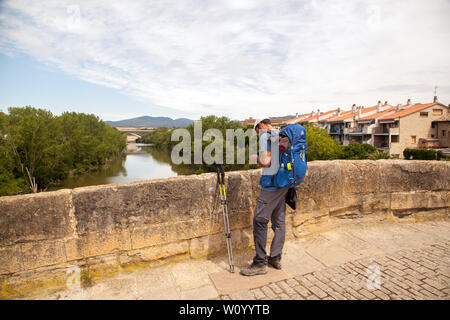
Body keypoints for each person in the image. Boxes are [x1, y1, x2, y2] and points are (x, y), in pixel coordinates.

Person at [240, 118, 289, 276]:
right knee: (279, 223)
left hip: (271, 185)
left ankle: (260, 262)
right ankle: (275, 257)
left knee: (259, 220)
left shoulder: (265, 136)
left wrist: (256, 159)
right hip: (285, 183)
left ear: (260, 126)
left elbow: (266, 162)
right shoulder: (282, 134)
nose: (257, 135)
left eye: (256, 132)